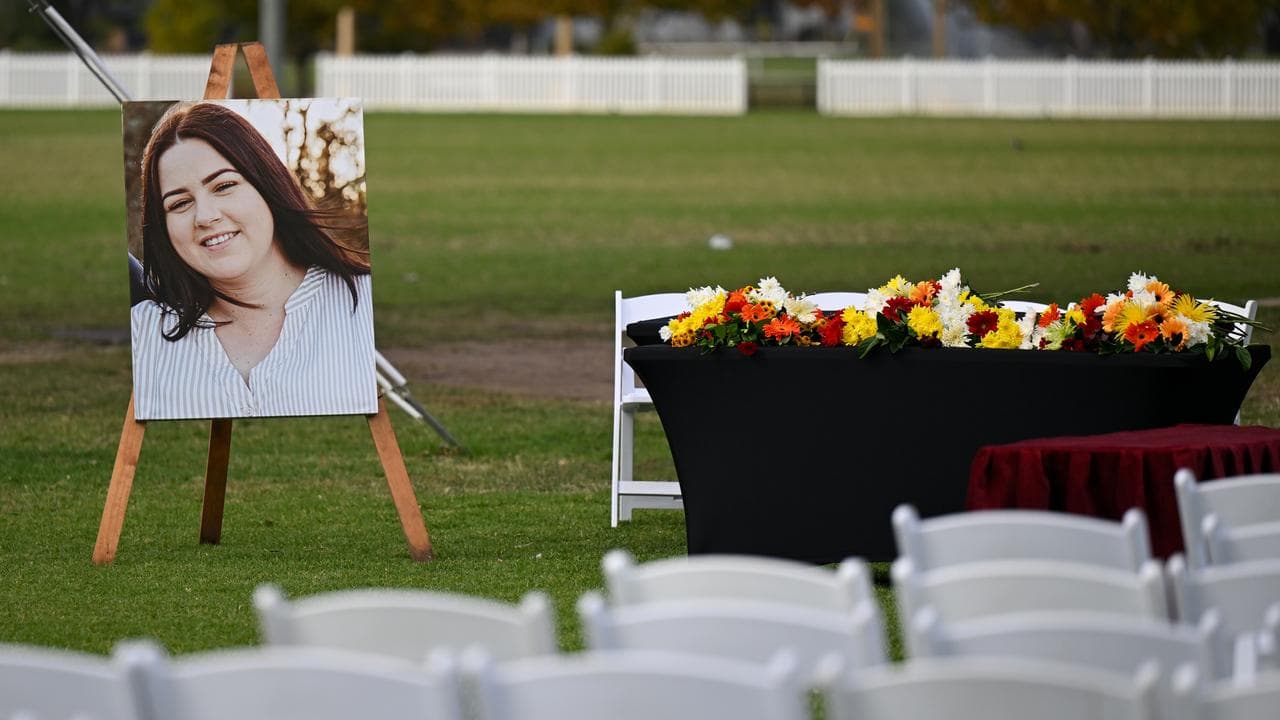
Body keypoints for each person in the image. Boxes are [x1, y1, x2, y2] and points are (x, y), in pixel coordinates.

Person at [130, 101, 377, 420]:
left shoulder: (364, 304)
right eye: (179, 203)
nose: (205, 216)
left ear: (267, 185)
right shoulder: (143, 333)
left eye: (224, 186)